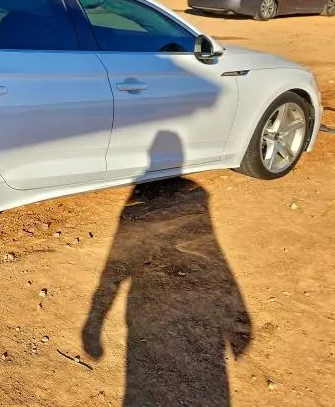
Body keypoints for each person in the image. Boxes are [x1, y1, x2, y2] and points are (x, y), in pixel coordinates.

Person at [82, 131, 251, 407]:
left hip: (146, 315)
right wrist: (238, 319)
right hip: (157, 320)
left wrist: (95, 319)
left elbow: (116, 264)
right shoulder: (194, 194)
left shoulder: (143, 201)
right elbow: (215, 256)